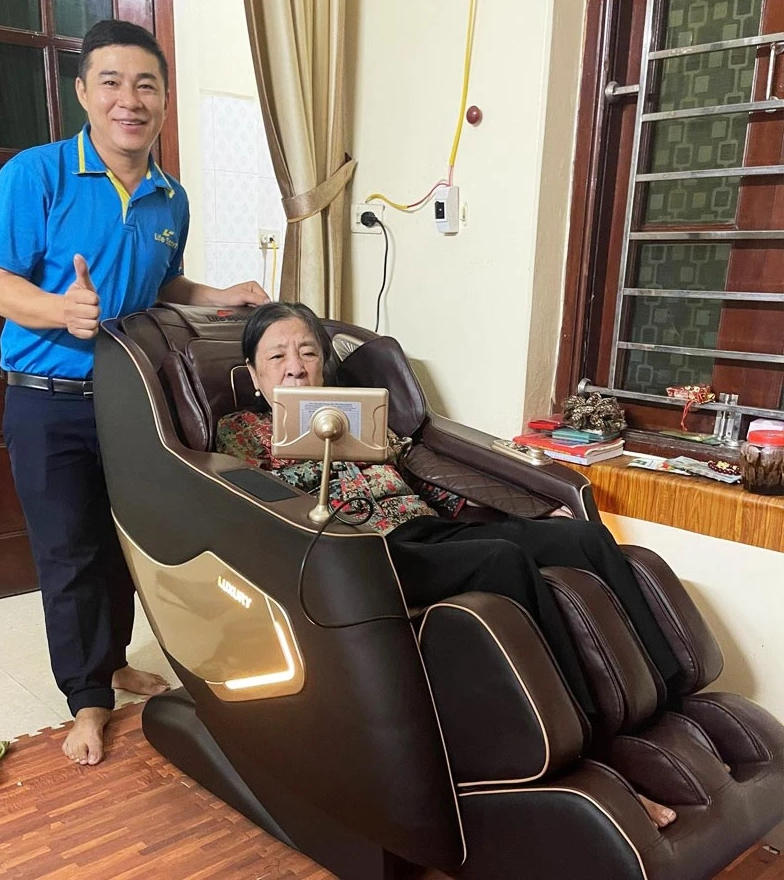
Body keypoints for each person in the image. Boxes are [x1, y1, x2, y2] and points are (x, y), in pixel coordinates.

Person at [216, 302, 686, 829]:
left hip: (424, 528)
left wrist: (523, 514)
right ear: (254, 375)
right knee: (501, 559)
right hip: (362, 553)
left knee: (585, 538)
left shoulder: (359, 412)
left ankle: (664, 703)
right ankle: (588, 740)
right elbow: (257, 504)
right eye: (276, 357)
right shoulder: (244, 430)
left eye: (307, 352)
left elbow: (422, 475)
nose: (295, 367)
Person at [0, 20, 269, 768]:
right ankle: (87, 698)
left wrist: (218, 295)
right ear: (83, 92)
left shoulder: (171, 198)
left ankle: (110, 662)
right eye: (111, 82)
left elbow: (161, 283)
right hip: (46, 400)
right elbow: (1, 287)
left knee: (125, 543)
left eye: (146, 85)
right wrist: (62, 309)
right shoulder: (35, 174)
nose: (129, 100)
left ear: (165, 101)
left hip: (128, 399)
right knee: (68, 551)